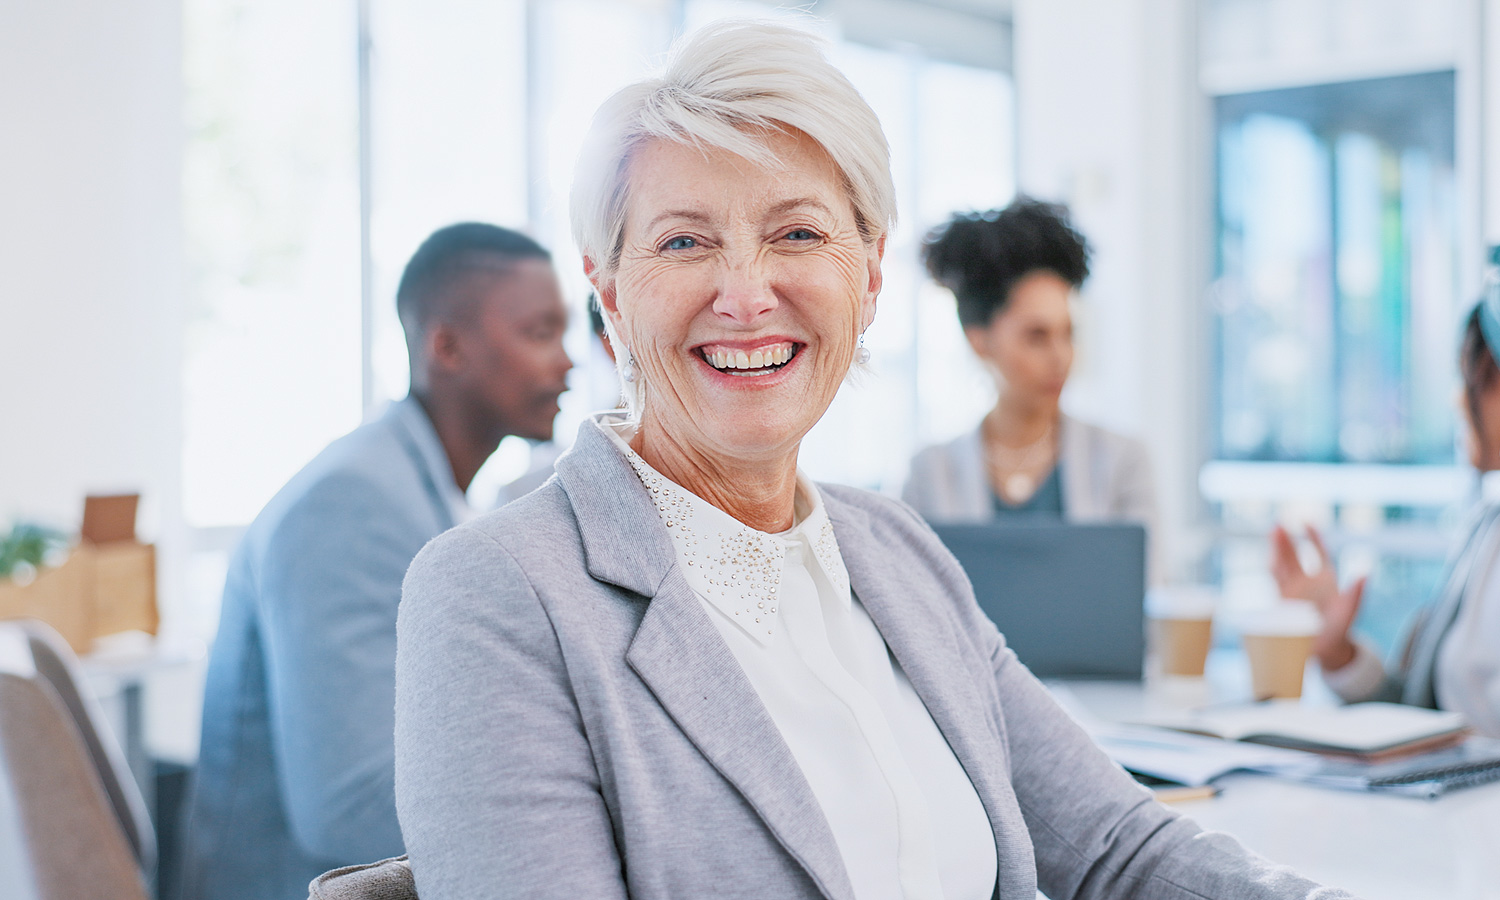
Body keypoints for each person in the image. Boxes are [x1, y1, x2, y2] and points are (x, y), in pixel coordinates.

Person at [394, 21, 1351, 900]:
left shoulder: (896, 552)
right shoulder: (495, 597)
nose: (745, 294)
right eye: (684, 241)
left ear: (870, 274)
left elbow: (1114, 849)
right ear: (608, 292)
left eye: (797, 233)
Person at [179, 223, 572, 900]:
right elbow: (346, 810)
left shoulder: (418, 489)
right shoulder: (351, 505)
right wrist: (571, 797)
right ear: (446, 347)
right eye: (540, 333)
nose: (567, 363)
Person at [1271, 301, 1500, 738]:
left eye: (1473, 377)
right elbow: (1419, 717)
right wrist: (1338, 650)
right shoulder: (1485, 531)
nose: (1458, 398)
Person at [902, 200, 1157, 532]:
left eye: (1068, 334)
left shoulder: (1123, 461)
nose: (1060, 356)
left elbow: (1147, 579)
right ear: (980, 341)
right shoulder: (929, 473)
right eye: (1037, 336)